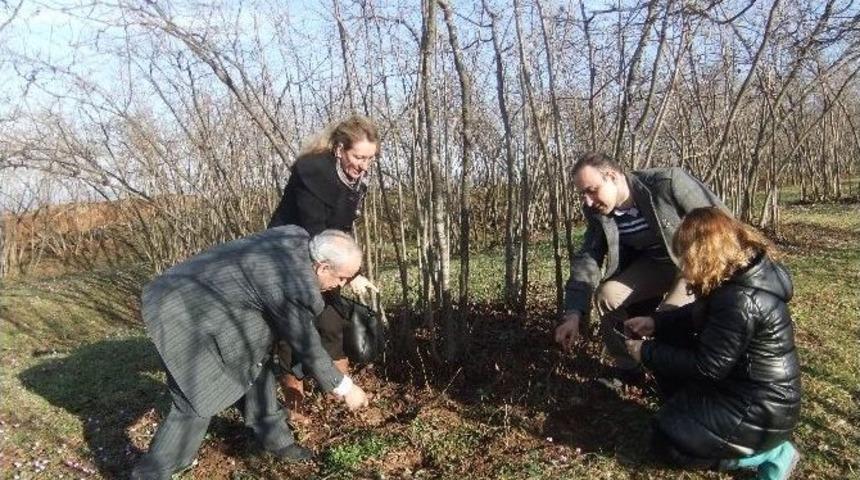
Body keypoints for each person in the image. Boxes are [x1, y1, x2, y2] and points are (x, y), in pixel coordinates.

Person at [130, 228, 369, 480]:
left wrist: (351, 276)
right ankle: (152, 473)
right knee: (194, 401)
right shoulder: (291, 284)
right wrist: (345, 387)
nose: (341, 285)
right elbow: (306, 343)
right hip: (181, 309)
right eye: (342, 278)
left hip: (217, 306)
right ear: (321, 268)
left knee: (256, 362)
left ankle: (277, 442)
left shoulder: (297, 237)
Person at [623, 207, 801, 479]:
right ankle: (689, 417)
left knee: (668, 446)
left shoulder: (740, 300)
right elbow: (703, 316)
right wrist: (656, 322)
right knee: (667, 423)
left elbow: (708, 367)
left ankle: (774, 454)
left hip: (760, 409)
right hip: (747, 393)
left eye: (685, 256)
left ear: (704, 253)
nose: (682, 265)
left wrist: (645, 352)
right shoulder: (737, 277)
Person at [554, 152, 725, 373]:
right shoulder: (597, 211)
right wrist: (573, 314)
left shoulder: (667, 184)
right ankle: (630, 367)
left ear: (613, 176)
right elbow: (589, 257)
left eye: (592, 190)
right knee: (607, 297)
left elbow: (722, 223)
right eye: (582, 194)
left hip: (692, 265)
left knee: (665, 316)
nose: (588, 201)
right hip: (656, 265)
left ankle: (675, 375)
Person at [268, 115, 380, 412]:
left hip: (327, 259)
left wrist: (353, 270)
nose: (363, 165)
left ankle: (339, 393)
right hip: (290, 258)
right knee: (294, 331)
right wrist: (350, 273)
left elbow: (341, 231)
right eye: (358, 157)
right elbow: (315, 231)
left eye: (370, 158)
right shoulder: (313, 173)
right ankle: (296, 405)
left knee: (331, 322)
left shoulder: (353, 179)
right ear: (340, 148)